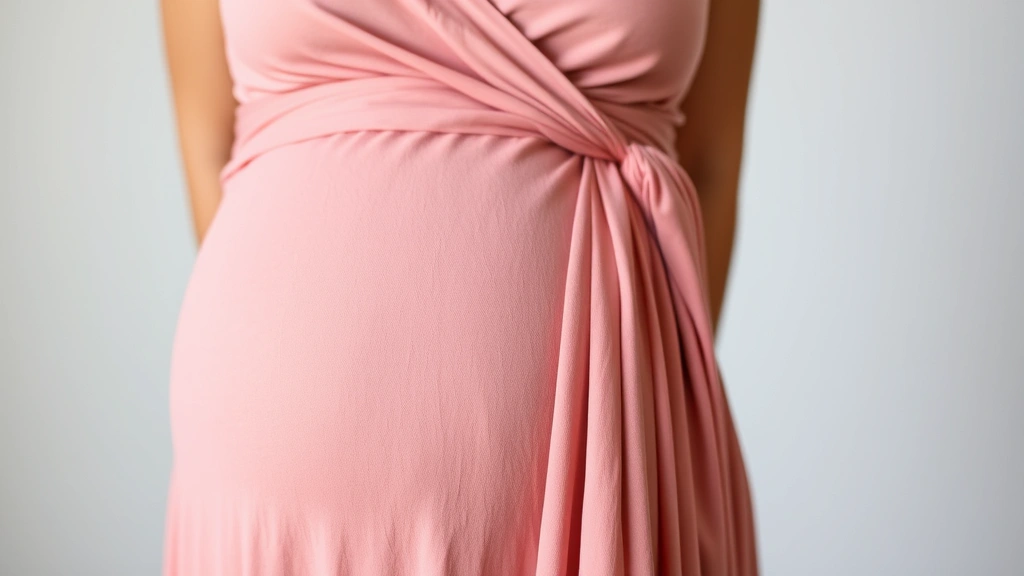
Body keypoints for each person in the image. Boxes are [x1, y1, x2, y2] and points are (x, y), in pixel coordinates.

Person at [159, 0, 760, 573]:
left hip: (604, 466)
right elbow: (208, 142)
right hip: (274, 481)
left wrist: (626, 409)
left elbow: (707, 169)